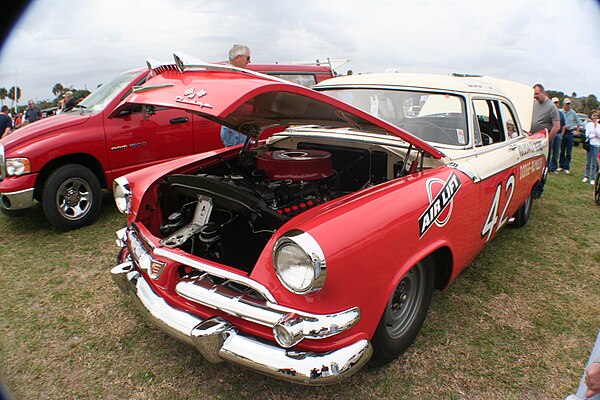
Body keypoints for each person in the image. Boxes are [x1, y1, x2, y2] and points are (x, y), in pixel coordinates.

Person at [531, 84, 560, 198]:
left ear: (543, 93)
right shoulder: (534, 103)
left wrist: (547, 140)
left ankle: (539, 189)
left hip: (544, 142)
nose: (535, 96)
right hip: (532, 139)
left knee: (543, 166)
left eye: (537, 94)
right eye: (534, 94)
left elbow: (556, 126)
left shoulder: (551, 107)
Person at [221, 44, 251, 147]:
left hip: (238, 124)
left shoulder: (237, 74)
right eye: (248, 58)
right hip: (234, 126)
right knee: (235, 156)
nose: (249, 61)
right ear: (238, 58)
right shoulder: (228, 75)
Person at [557, 98, 581, 174]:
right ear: (564, 104)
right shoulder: (560, 112)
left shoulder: (573, 113)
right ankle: (561, 165)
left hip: (570, 132)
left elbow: (578, 123)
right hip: (563, 132)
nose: (568, 106)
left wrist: (576, 131)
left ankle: (566, 167)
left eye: (569, 104)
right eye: (567, 104)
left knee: (569, 150)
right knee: (562, 150)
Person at [548, 97, 566, 173]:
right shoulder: (549, 112)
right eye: (554, 102)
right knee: (549, 152)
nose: (556, 104)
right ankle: (547, 167)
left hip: (558, 135)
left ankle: (554, 168)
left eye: (557, 103)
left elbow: (563, 125)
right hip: (551, 134)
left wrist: (561, 135)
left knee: (556, 152)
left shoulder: (561, 114)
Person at [583, 111, 600, 185]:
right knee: (588, 161)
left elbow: (599, 135)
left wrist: (595, 131)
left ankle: (592, 178)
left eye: (597, 116)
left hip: (597, 145)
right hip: (590, 144)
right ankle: (586, 176)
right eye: (594, 115)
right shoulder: (589, 124)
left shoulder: (599, 126)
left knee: (594, 162)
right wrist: (594, 135)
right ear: (591, 116)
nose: (595, 117)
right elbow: (587, 135)